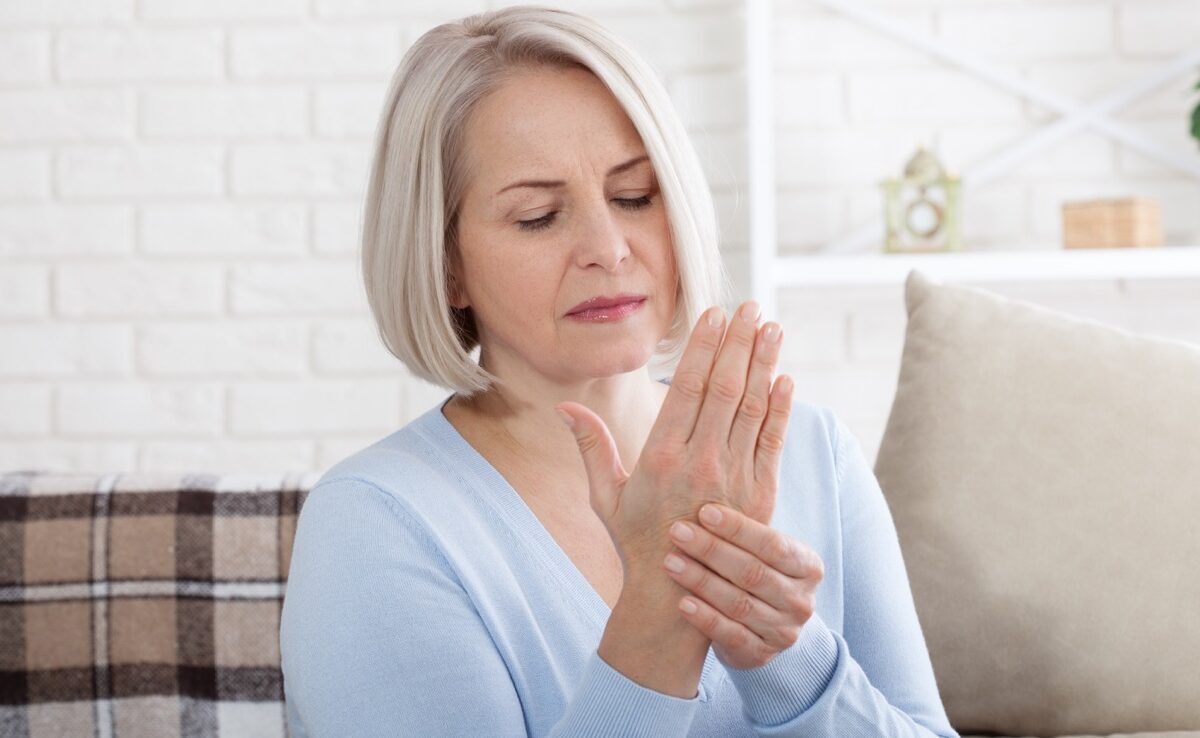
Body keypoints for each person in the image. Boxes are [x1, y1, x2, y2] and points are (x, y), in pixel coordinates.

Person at [279, 5, 959, 737]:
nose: (608, 247)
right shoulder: (375, 523)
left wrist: (787, 657)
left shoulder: (816, 453)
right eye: (538, 215)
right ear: (446, 266)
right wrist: (659, 619)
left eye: (635, 196)